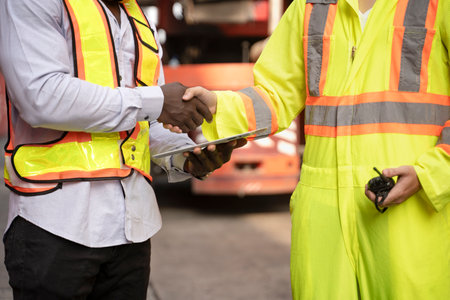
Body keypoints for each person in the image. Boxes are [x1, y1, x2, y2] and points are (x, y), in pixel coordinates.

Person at [177, 0, 450, 298]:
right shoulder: (311, 6)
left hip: (411, 215)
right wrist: (219, 105)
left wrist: (431, 173)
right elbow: (276, 94)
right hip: (322, 222)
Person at [0, 0, 244, 298]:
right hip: (54, 226)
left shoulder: (137, 18)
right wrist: (156, 101)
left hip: (131, 231)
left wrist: (187, 155)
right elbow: (41, 96)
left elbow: (145, 122)